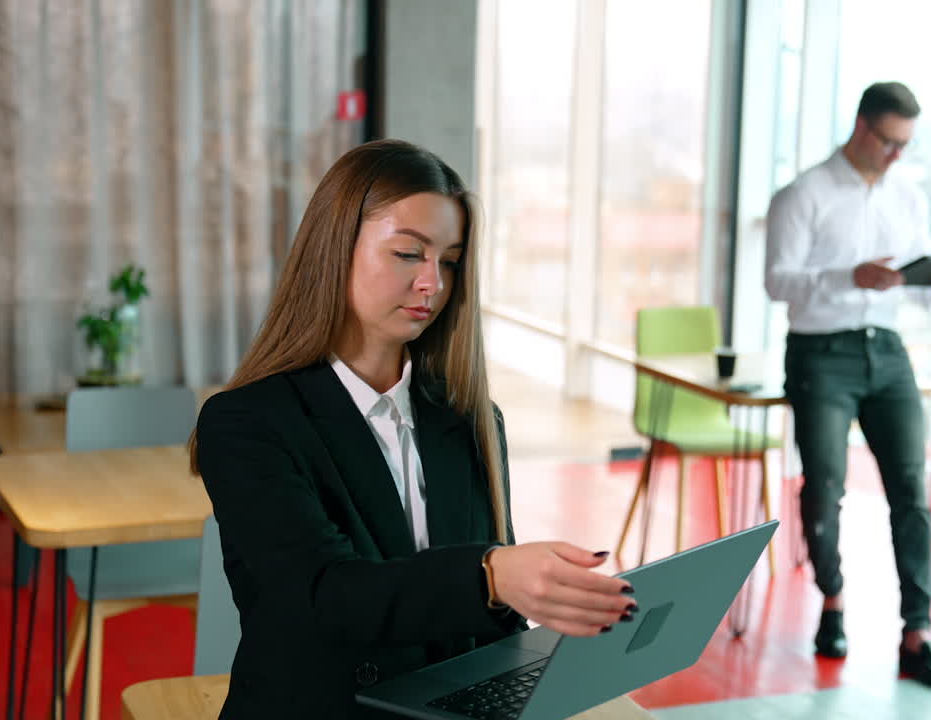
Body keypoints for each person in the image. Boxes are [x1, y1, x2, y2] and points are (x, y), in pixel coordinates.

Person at [189, 139, 638, 719]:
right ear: (335, 250)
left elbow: (485, 631)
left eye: (448, 261)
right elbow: (325, 597)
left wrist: (547, 625)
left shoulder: (470, 419)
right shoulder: (247, 423)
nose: (433, 284)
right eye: (408, 254)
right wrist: (493, 577)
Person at [764, 82, 931, 692]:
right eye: (888, 141)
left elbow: (907, 281)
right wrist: (847, 275)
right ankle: (832, 603)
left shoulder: (907, 197)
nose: (896, 156)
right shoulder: (803, 194)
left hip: (887, 351)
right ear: (861, 127)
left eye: (905, 145)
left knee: (911, 488)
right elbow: (777, 282)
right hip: (820, 352)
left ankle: (917, 633)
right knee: (825, 484)